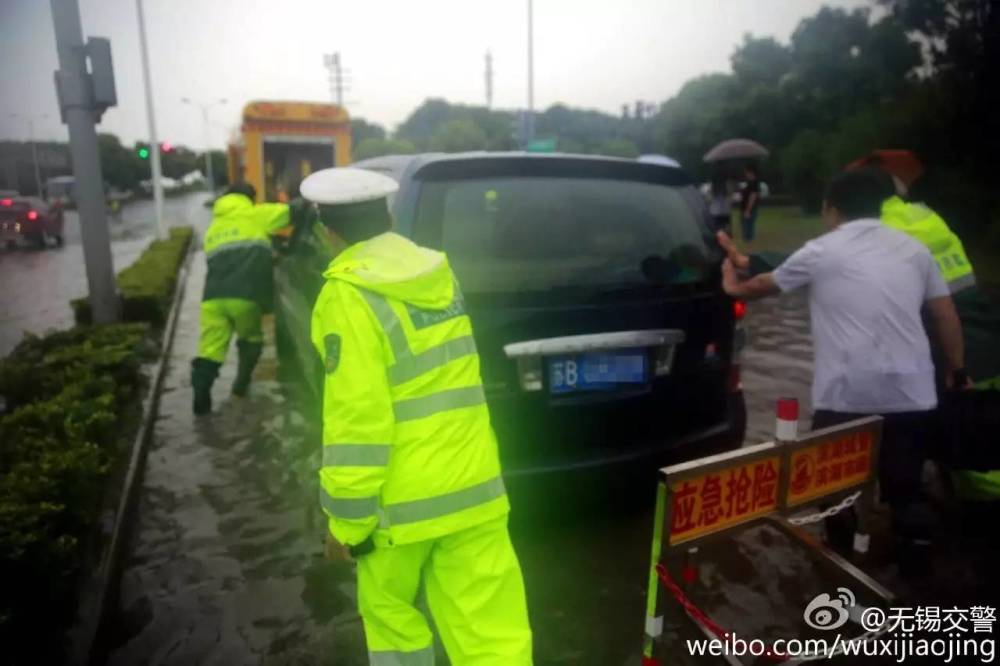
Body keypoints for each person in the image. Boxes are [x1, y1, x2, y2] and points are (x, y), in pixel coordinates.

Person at [300, 167, 533, 665]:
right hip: (475, 489)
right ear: (387, 217)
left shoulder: (347, 293)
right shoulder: (438, 273)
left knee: (392, 622)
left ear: (327, 230)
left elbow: (355, 420)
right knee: (492, 630)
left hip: (397, 510)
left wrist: (349, 523)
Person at [719, 168, 967, 567]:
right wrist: (956, 369)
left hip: (846, 394)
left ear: (831, 209)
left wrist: (732, 284)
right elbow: (945, 315)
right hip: (913, 393)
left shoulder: (822, 250)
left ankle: (836, 566)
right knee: (905, 486)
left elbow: (764, 285)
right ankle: (914, 562)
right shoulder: (914, 250)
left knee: (833, 485)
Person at [190, 182, 291, 415]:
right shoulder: (256, 214)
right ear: (250, 198)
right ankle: (240, 388)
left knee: (209, 350)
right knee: (251, 341)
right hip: (244, 296)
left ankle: (200, 402)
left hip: (212, 298)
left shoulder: (214, 227)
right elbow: (294, 212)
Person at [739, 164, 761, 244]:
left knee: (748, 225)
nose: (746, 174)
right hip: (745, 208)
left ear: (751, 173)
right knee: (746, 224)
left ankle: (749, 240)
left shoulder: (754, 183)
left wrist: (748, 210)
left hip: (750, 208)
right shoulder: (749, 183)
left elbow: (753, 197)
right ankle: (747, 240)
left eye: (747, 173)